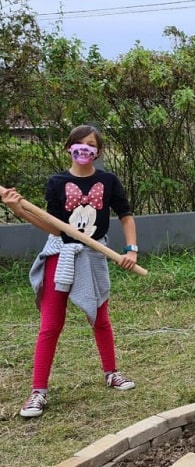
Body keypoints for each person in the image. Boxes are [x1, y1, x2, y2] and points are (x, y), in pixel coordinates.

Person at [0, 125, 140, 418]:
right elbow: (54, 227)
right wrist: (19, 210)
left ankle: (112, 373)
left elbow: (125, 216)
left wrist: (132, 249)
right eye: (79, 144)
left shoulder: (108, 180)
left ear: (98, 152)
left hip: (94, 256)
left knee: (101, 318)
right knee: (51, 324)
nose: (84, 149)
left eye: (91, 145)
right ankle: (38, 391)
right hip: (60, 255)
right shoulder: (57, 182)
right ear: (69, 148)